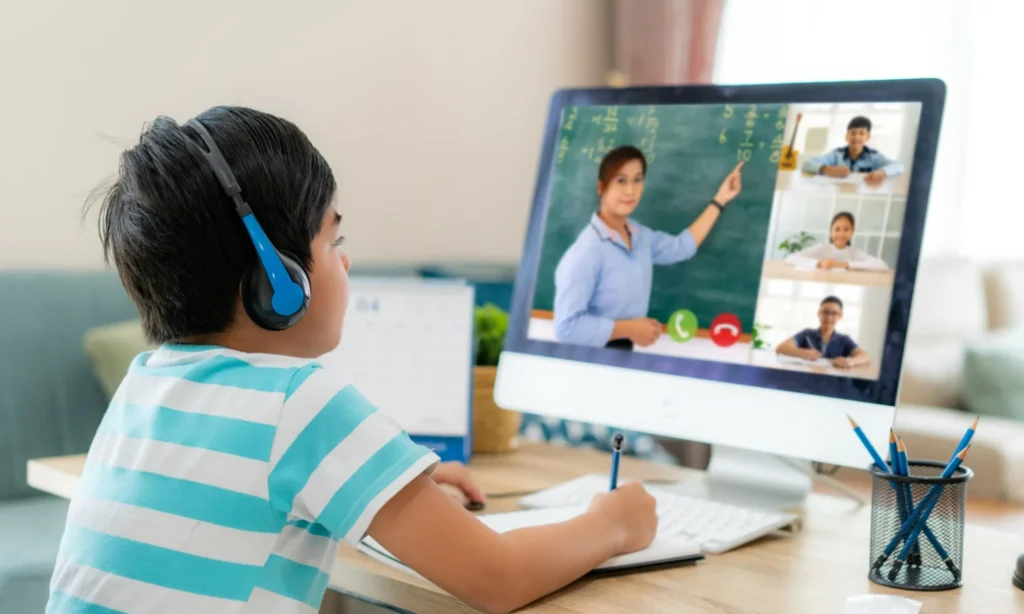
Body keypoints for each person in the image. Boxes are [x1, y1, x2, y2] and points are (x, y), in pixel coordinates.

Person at [46, 107, 658, 614]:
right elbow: (497, 578)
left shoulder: (142, 384)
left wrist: (391, 488)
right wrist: (612, 523)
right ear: (277, 282)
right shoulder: (298, 401)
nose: (344, 262)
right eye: (333, 241)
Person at [553, 145, 744, 350]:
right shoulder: (586, 252)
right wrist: (629, 329)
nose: (630, 190)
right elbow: (566, 328)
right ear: (601, 187)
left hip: (623, 351)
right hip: (591, 358)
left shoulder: (639, 236)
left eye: (637, 180)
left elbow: (681, 247)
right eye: (621, 180)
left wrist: (720, 199)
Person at [801, 116, 904, 186]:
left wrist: (882, 171)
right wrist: (828, 169)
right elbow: (807, 164)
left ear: (868, 137)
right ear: (846, 136)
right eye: (853, 133)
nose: (856, 137)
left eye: (861, 133)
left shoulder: (874, 156)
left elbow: (899, 166)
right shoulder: (836, 154)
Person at [775, 296, 870, 369]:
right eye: (825, 312)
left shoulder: (844, 340)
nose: (828, 317)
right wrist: (804, 353)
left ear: (840, 316)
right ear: (818, 313)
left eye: (834, 313)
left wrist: (850, 361)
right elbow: (781, 348)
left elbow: (865, 357)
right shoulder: (807, 334)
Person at [785, 211, 889, 271]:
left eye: (846, 229)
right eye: (837, 229)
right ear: (831, 231)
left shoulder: (853, 252)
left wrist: (844, 265)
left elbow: (882, 265)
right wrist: (819, 263)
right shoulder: (822, 248)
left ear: (852, 231)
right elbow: (791, 258)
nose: (841, 234)